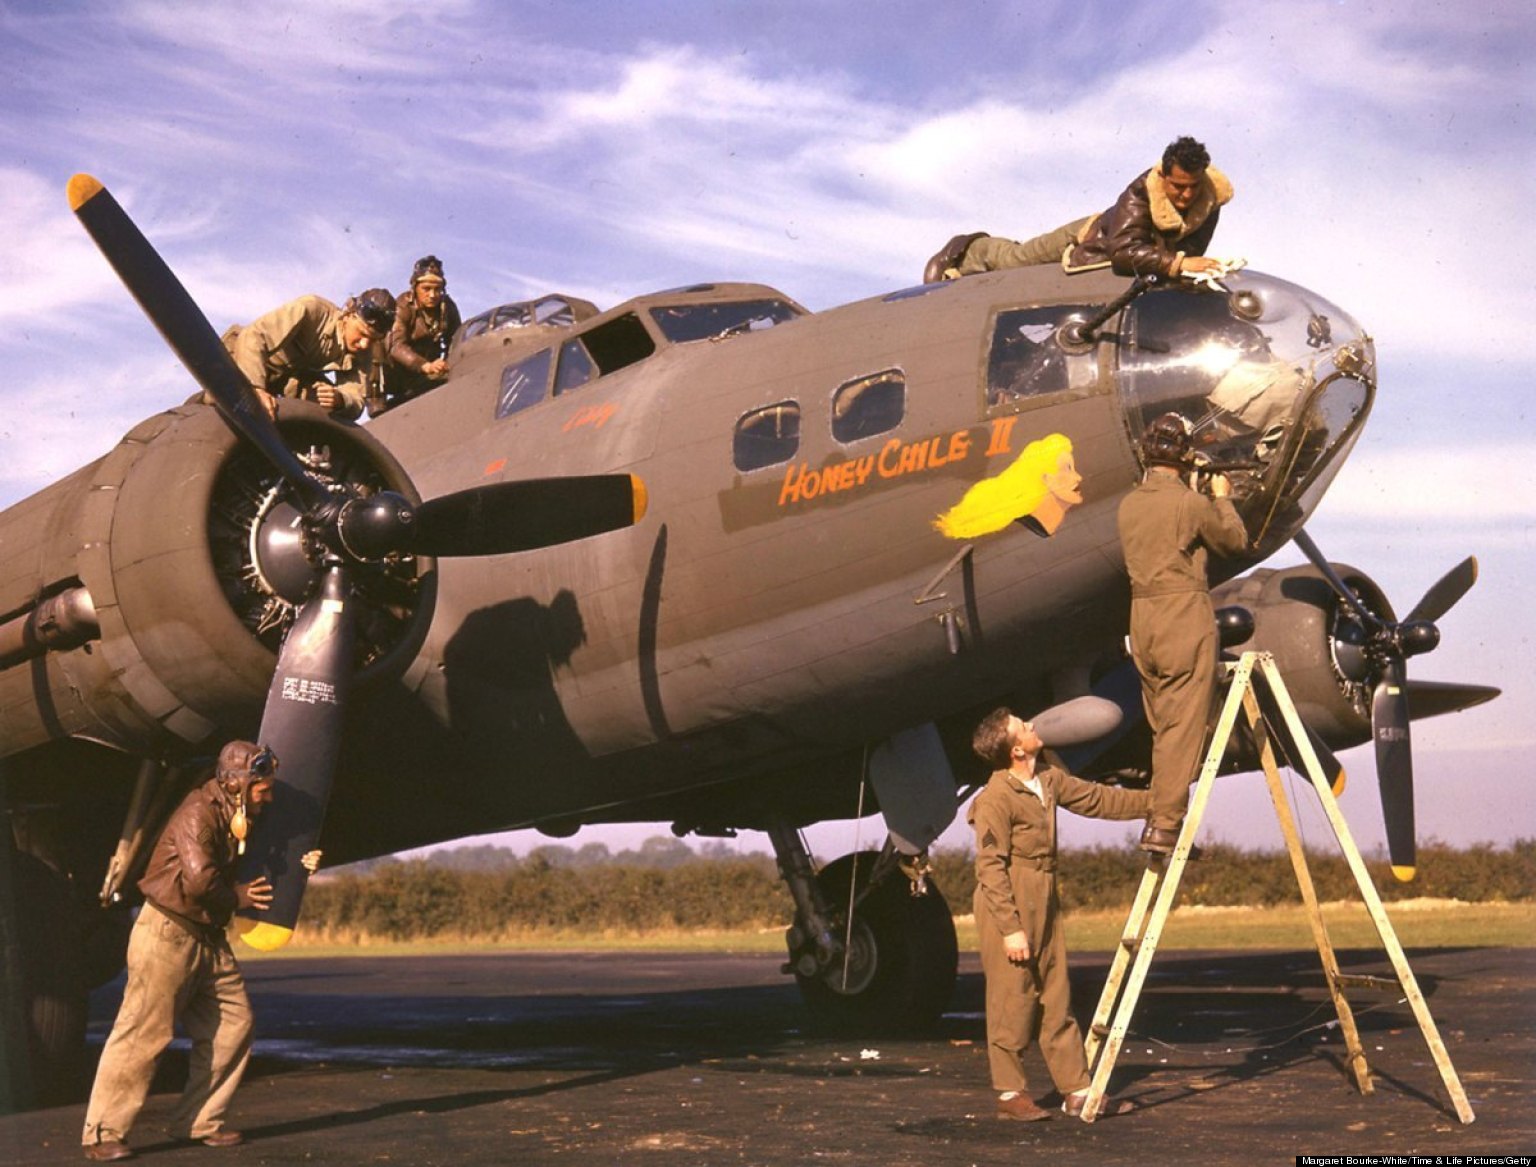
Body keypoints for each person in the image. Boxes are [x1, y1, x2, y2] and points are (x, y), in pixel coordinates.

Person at [81, 742, 320, 1162]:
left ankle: (198, 1121)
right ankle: (102, 1133)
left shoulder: (239, 815)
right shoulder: (197, 813)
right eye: (262, 789)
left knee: (233, 1023)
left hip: (207, 934)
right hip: (167, 932)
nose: (268, 797)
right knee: (143, 1033)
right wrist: (239, 895)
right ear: (235, 784)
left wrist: (302, 864)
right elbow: (198, 880)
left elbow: (265, 857)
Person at [969, 708, 1149, 1120]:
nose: (1033, 726)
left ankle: (1077, 1091)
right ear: (1016, 749)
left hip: (1045, 891)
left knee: (1056, 993)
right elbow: (990, 866)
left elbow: (1097, 798)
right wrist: (1011, 929)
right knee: (1012, 997)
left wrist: (1156, 802)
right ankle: (1010, 1094)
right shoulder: (995, 797)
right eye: (1023, 726)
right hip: (1008, 896)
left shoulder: (1047, 780)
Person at [1117, 413, 1250, 855]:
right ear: (1186, 454)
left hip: (1142, 620)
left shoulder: (1129, 505)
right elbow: (1233, 542)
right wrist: (1221, 499)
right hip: (1181, 614)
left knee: (1161, 726)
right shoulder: (1191, 506)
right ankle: (1165, 827)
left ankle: (1160, 815)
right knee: (1184, 726)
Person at [925, 135, 1234, 281]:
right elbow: (1124, 251)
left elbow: (1191, 250)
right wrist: (1178, 264)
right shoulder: (1140, 192)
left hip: (1133, 250)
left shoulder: (1208, 199)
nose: (1186, 195)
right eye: (1178, 187)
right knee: (1015, 261)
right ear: (1164, 176)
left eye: (1193, 186)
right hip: (1090, 236)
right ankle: (970, 248)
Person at [220, 289, 397, 421]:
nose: (365, 344)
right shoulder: (312, 309)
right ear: (348, 315)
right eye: (362, 333)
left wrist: (339, 399)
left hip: (284, 377)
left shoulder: (362, 351)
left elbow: (356, 400)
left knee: (320, 406)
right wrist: (255, 389)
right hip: (244, 358)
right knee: (225, 402)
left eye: (374, 340)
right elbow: (253, 336)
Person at [371, 255, 462, 416]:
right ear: (415, 288)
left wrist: (446, 364)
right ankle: (376, 402)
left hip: (424, 374)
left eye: (437, 289)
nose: (433, 295)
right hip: (395, 373)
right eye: (426, 289)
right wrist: (424, 365)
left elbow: (456, 340)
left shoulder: (448, 308)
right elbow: (395, 346)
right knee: (375, 343)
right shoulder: (403, 305)